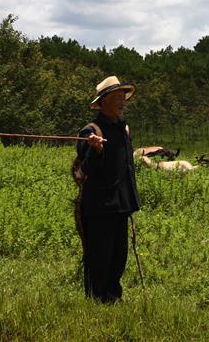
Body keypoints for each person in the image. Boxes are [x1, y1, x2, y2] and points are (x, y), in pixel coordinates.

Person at [75, 75, 140, 303]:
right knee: (98, 257)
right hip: (99, 206)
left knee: (118, 257)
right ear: (102, 102)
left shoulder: (124, 129)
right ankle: (95, 301)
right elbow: (85, 169)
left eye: (123, 95)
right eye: (115, 96)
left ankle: (113, 298)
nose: (122, 100)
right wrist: (96, 150)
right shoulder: (90, 131)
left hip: (121, 203)